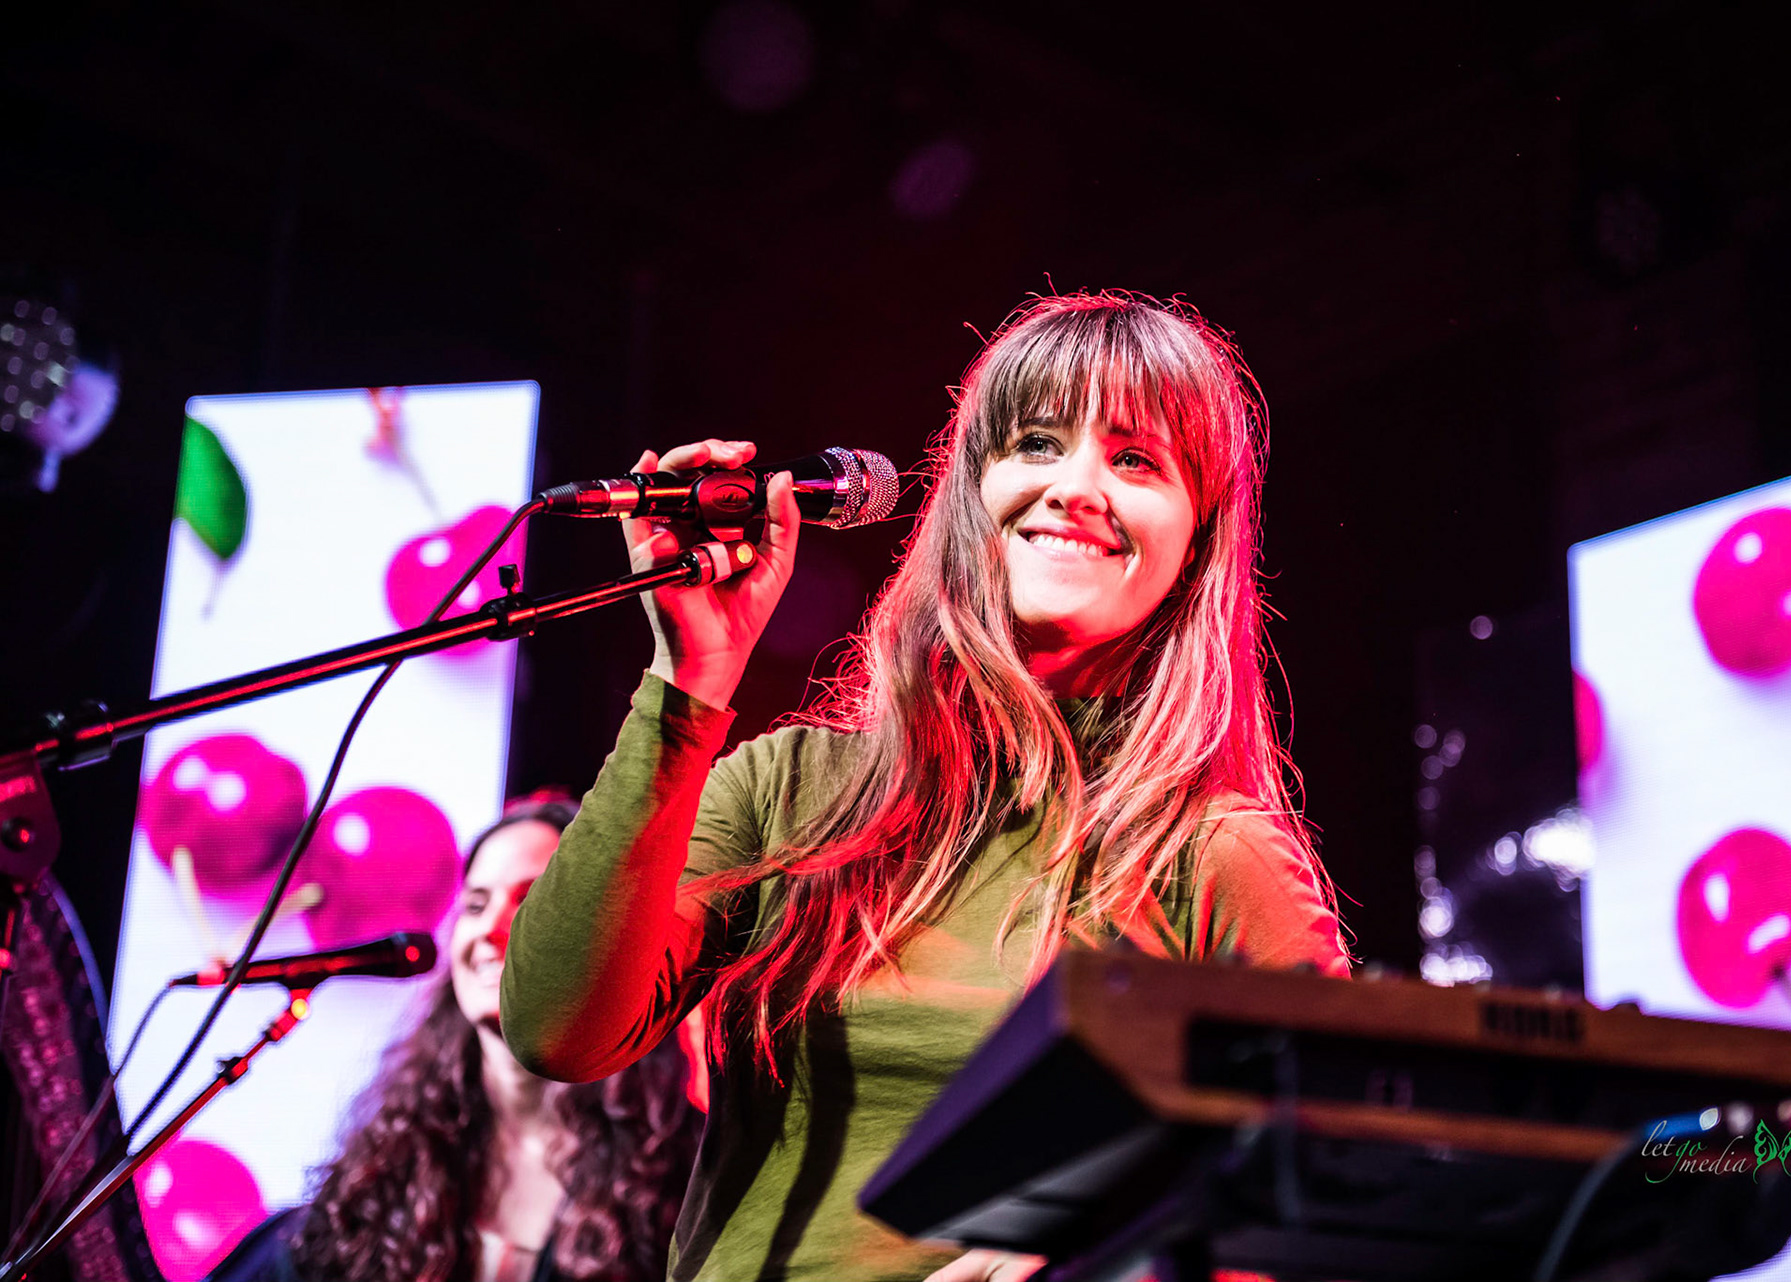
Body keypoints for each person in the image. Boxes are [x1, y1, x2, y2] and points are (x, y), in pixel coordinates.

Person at [500, 292, 1349, 1282]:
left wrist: (1109, 1250)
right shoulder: (789, 787)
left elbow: (1333, 1209)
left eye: (1135, 460)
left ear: (1196, 538)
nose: (1075, 486)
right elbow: (558, 1029)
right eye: (1037, 443)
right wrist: (690, 681)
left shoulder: (1214, 855)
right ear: (968, 495)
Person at [211, 793, 700, 1282]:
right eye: (475, 904)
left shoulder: (690, 1176)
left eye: (533, 900)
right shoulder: (390, 1163)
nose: (490, 928)